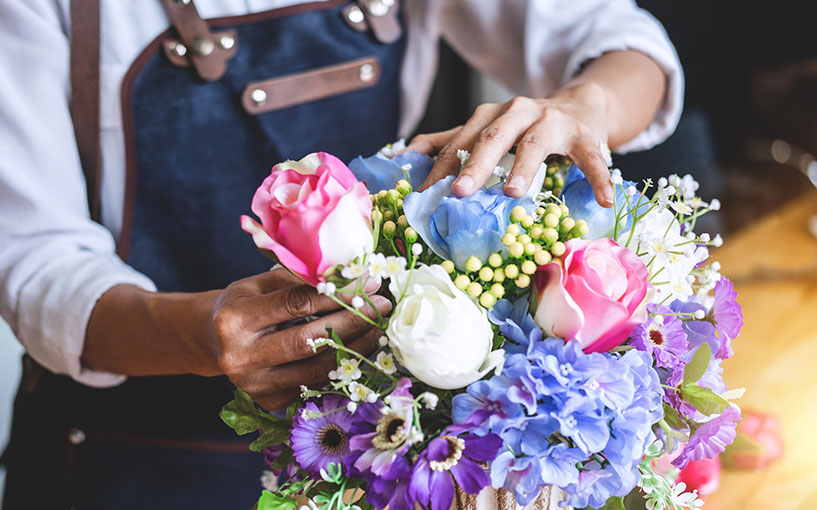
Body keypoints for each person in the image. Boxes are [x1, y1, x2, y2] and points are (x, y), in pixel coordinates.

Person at [0, 0, 682, 508]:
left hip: (368, 451)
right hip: (125, 461)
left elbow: (622, 44)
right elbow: (35, 262)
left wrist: (582, 106)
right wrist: (201, 335)